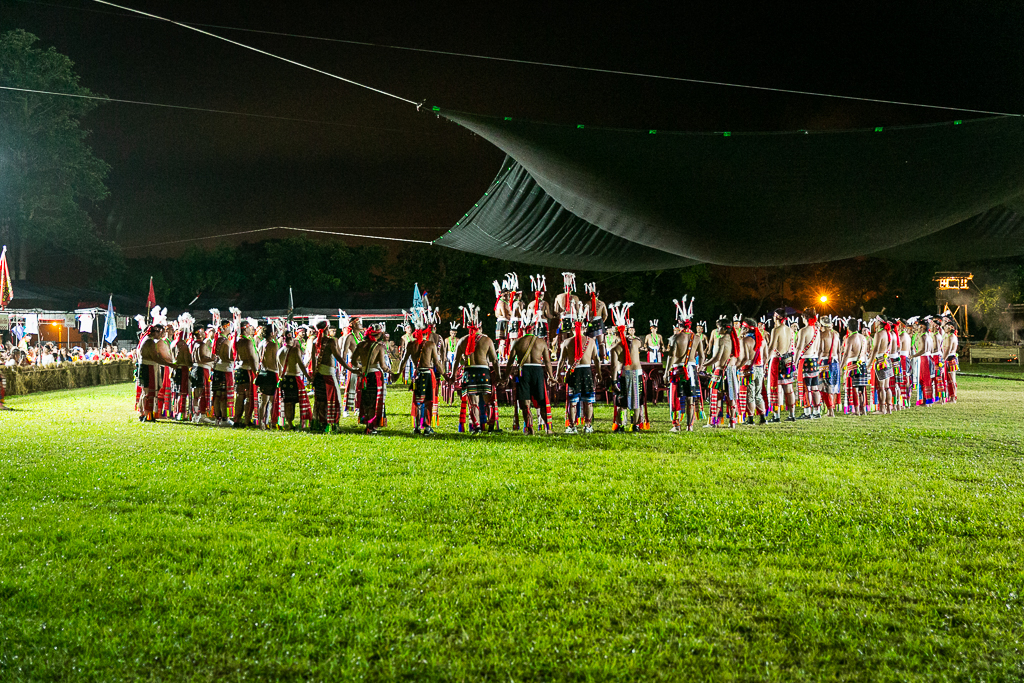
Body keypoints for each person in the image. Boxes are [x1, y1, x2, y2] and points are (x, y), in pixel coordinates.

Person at [392, 307, 447, 435]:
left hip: (417, 375)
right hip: (428, 374)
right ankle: (427, 427)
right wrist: (445, 375)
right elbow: (437, 363)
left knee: (417, 401)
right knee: (428, 401)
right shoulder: (430, 345)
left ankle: (417, 426)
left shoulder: (411, 344)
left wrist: (397, 375)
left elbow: (403, 361)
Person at [502, 308, 556, 435]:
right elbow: (547, 362)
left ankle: (529, 427)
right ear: (534, 328)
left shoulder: (518, 342)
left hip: (524, 371)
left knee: (525, 401)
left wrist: (505, 376)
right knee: (541, 400)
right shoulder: (541, 342)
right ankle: (548, 428)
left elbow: (510, 362)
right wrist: (550, 376)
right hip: (537, 370)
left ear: (524, 328)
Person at [453, 303, 501, 433]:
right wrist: (499, 375)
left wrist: (452, 376)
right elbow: (495, 360)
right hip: (483, 371)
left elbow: (456, 361)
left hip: (469, 372)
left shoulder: (462, 341)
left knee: (473, 402)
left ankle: (477, 427)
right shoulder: (487, 340)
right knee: (488, 401)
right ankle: (491, 426)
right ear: (480, 326)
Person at [556, 300, 601, 434]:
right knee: (588, 401)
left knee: (573, 401)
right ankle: (587, 426)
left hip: (573, 372)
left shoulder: (566, 342)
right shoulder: (591, 341)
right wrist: (598, 373)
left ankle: (572, 426)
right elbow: (597, 360)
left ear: (572, 328)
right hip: (586, 371)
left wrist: (558, 374)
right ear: (584, 328)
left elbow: (561, 361)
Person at [664, 296, 700, 432]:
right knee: (690, 399)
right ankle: (689, 426)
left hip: (678, 369)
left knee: (676, 398)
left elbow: (671, 356)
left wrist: (667, 371)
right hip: (691, 369)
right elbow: (701, 355)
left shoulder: (675, 338)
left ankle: (676, 425)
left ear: (679, 324)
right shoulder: (696, 337)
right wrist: (700, 366)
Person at [608, 302, 645, 433]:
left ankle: (621, 426)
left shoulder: (615, 348)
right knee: (636, 402)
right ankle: (635, 425)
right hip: (638, 373)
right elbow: (640, 344)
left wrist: (613, 382)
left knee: (623, 402)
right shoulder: (636, 342)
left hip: (625, 374)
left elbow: (614, 367)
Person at [310, 320, 348, 433]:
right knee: (334, 400)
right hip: (329, 374)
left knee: (320, 401)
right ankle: (334, 425)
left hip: (318, 374)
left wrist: (312, 375)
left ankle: (322, 424)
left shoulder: (314, 342)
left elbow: (313, 360)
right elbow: (338, 357)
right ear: (326, 329)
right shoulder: (330, 341)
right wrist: (349, 368)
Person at [352, 323, 389, 434]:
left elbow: (354, 361)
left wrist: (362, 368)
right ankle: (371, 426)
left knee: (366, 401)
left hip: (364, 375)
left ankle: (367, 423)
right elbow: (383, 365)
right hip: (375, 376)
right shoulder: (379, 346)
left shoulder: (360, 345)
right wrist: (392, 372)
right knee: (374, 402)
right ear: (378, 334)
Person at [137, 323, 174, 422]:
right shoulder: (150, 342)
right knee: (149, 393)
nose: (160, 334)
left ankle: (143, 413)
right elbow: (155, 357)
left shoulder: (145, 340)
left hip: (145, 366)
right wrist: (170, 364)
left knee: (145, 392)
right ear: (154, 332)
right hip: (149, 367)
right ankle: (148, 415)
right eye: (159, 332)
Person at [278, 328, 312, 430]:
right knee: (301, 401)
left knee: (288, 402)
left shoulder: (279, 351)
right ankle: (303, 423)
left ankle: (289, 423)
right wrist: (307, 377)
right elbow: (301, 365)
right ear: (291, 340)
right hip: (295, 378)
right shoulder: (295, 350)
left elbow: (279, 367)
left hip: (284, 378)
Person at [766, 308, 797, 422]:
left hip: (777, 360)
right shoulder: (790, 330)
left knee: (776, 388)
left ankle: (776, 416)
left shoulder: (776, 330)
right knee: (789, 388)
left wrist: (765, 361)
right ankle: (791, 414)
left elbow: (772, 347)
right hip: (788, 360)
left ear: (777, 317)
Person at [739, 316, 768, 425]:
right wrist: (763, 367)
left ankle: (750, 419)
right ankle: (763, 418)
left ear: (746, 329)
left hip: (748, 369)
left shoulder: (744, 340)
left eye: (742, 327)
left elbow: (745, 358)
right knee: (758, 394)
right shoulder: (762, 340)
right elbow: (766, 356)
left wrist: (738, 367)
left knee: (750, 395)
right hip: (760, 368)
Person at [795, 307, 822, 419]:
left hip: (805, 360)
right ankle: (817, 411)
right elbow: (819, 348)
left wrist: (794, 362)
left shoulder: (803, 331)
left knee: (806, 388)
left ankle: (807, 412)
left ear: (805, 317)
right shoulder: (817, 331)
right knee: (815, 387)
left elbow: (799, 348)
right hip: (815, 360)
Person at [232, 319, 259, 428]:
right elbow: (251, 358)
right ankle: (247, 420)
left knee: (239, 396)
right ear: (245, 328)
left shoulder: (236, 340)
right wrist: (255, 372)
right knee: (248, 396)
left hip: (238, 369)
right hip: (247, 370)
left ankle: (237, 419)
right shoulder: (247, 341)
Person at [256, 322, 282, 429]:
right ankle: (271, 422)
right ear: (272, 333)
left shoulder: (261, 343)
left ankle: (261, 422)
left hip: (262, 372)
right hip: (272, 372)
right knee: (272, 400)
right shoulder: (273, 344)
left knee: (263, 400)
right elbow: (277, 360)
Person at [842, 318, 871, 415]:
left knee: (854, 388)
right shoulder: (863, 337)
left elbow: (846, 354)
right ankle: (863, 410)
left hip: (853, 363)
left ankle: (857, 410)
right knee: (861, 389)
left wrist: (841, 366)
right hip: (862, 363)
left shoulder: (850, 338)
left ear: (848, 327)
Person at [189, 326, 215, 425]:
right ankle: (200, 415)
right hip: (201, 369)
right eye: (203, 332)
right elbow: (202, 358)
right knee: (201, 393)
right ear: (199, 333)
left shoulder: (193, 344)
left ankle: (196, 414)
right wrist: (213, 358)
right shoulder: (201, 345)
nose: (205, 333)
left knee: (196, 394)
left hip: (195, 368)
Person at [819, 316, 842, 417]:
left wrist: (817, 362)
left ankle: (830, 410)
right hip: (835, 362)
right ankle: (831, 409)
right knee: (833, 386)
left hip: (825, 362)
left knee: (824, 386)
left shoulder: (822, 335)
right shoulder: (836, 334)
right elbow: (839, 351)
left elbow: (821, 350)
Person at [941, 317, 959, 403]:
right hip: (948, 358)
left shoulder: (951, 337)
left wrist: (942, 360)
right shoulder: (948, 336)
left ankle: (953, 397)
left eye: (946, 326)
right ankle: (950, 396)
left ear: (951, 327)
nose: (944, 327)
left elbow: (948, 350)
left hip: (950, 359)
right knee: (948, 379)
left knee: (951, 379)